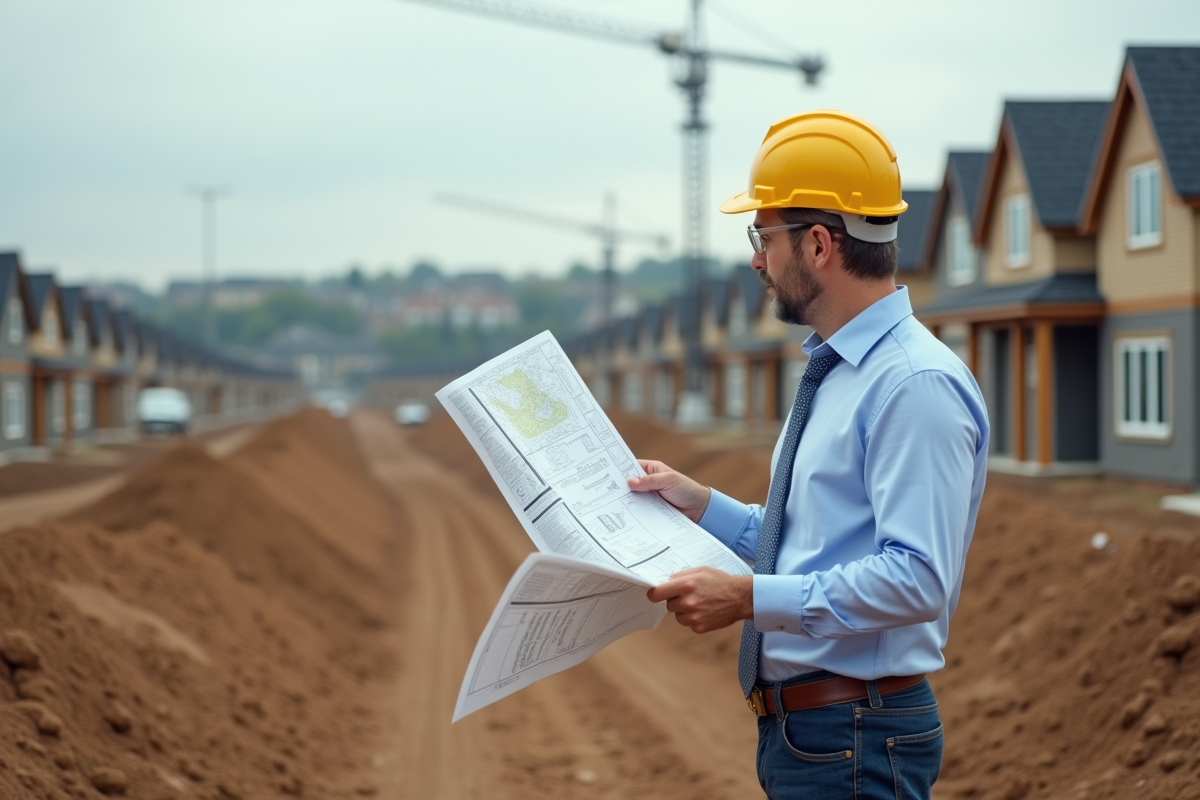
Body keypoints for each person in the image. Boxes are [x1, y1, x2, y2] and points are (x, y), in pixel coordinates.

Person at [626, 110, 990, 800]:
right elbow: (815, 538)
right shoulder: (844, 370)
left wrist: (746, 598)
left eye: (763, 237)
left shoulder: (913, 385)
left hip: (853, 734)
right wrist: (700, 504)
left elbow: (917, 579)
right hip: (819, 734)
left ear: (819, 244)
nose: (757, 260)